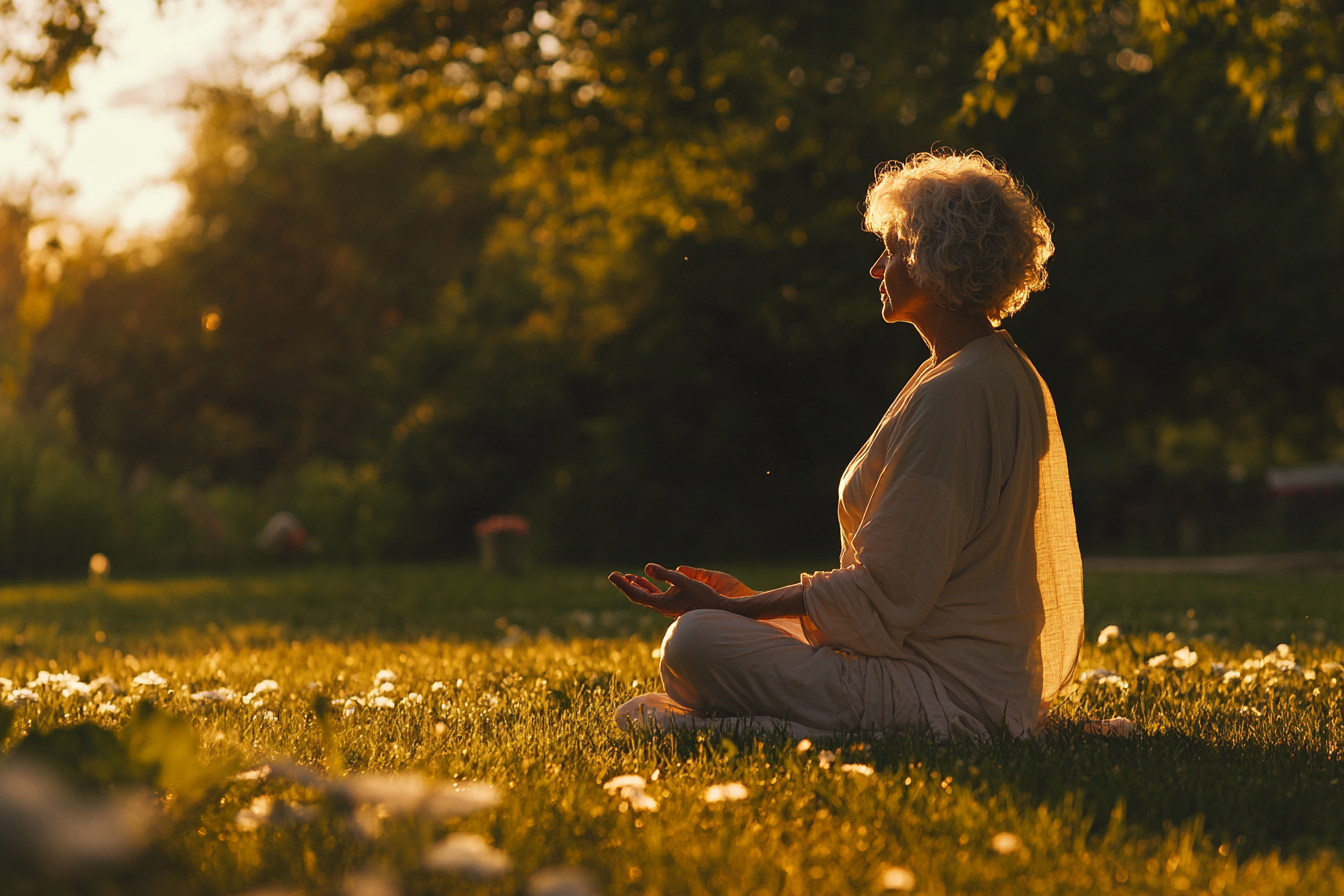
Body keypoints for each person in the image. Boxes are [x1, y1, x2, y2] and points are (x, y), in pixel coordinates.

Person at [609, 150, 1085, 740]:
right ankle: (752, 717)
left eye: (890, 248)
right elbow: (903, 593)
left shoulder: (961, 391)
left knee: (697, 640)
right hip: (934, 664)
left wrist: (736, 612)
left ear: (932, 257)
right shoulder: (980, 371)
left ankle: (780, 728)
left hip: (947, 691)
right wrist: (755, 602)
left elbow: (887, 595)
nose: (876, 267)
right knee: (707, 633)